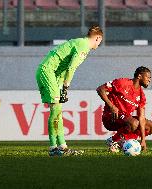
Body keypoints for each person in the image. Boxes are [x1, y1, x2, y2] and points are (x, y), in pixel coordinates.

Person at [36, 26, 103, 156]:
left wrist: (62, 87)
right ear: (98, 38)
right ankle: (53, 148)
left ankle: (63, 147)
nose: (99, 44)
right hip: (48, 72)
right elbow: (71, 68)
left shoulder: (79, 42)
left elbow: (63, 65)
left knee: (58, 111)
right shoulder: (83, 46)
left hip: (53, 74)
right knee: (55, 110)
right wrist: (66, 87)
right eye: (100, 41)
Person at [96, 66, 152, 153]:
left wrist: (143, 140)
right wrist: (112, 106)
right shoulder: (122, 82)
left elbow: (141, 118)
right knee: (134, 123)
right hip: (110, 117)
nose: (149, 80)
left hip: (125, 120)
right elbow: (100, 89)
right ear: (139, 76)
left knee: (151, 126)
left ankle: (119, 141)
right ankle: (115, 141)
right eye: (148, 77)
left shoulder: (141, 95)